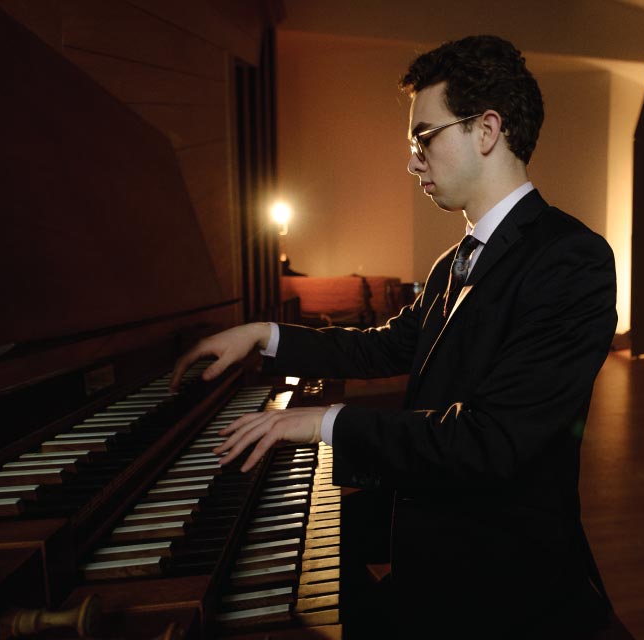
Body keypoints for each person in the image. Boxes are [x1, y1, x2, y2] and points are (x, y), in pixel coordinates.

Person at [171, 35, 618, 638]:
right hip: (432, 520)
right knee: (272, 552)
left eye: (424, 137)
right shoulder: (453, 262)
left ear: (486, 131)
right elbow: (378, 347)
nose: (412, 161)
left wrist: (320, 423)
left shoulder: (573, 259)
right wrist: (262, 335)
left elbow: (491, 441)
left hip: (502, 575)